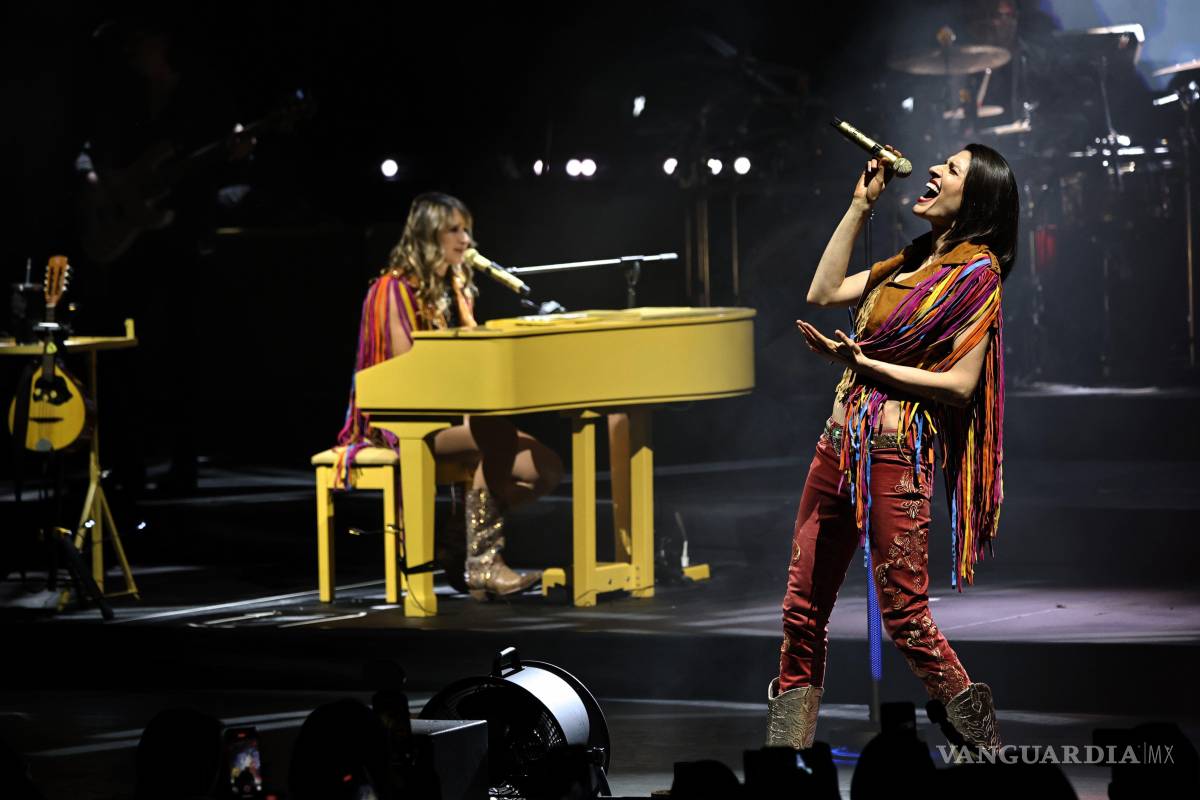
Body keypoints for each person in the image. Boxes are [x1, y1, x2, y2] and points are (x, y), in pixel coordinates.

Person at [766, 143, 1018, 750]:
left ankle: (986, 754)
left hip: (892, 453)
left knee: (905, 616)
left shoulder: (975, 274)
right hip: (838, 446)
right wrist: (859, 205)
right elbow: (824, 291)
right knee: (801, 613)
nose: (934, 170)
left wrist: (865, 363)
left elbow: (960, 387)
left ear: (976, 197)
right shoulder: (912, 256)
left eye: (951, 170)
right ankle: (784, 767)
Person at [336, 192, 563, 599]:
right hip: (398, 421)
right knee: (497, 434)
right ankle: (485, 563)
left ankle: (458, 542)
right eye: (454, 230)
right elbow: (410, 373)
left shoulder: (454, 287)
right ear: (428, 235)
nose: (466, 240)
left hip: (452, 416)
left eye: (468, 230)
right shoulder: (394, 288)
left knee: (544, 468)